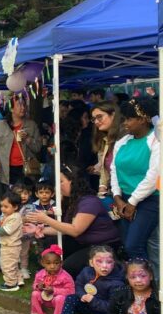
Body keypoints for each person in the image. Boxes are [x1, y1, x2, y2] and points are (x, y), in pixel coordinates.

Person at [26, 165, 120, 278]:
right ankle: (46, 278)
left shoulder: (89, 202)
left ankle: (65, 284)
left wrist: (46, 219)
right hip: (82, 242)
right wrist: (39, 229)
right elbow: (65, 228)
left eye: (61, 182)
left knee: (69, 267)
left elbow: (75, 230)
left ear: (73, 182)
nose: (58, 186)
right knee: (50, 248)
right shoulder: (72, 201)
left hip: (102, 245)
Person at [110, 98, 160, 265]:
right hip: (123, 199)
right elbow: (114, 170)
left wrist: (132, 202)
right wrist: (117, 197)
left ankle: (147, 286)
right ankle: (137, 285)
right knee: (127, 245)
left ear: (143, 119)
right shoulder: (122, 142)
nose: (124, 123)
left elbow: (154, 175)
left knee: (134, 246)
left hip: (149, 199)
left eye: (128, 119)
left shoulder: (156, 140)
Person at [51, 246, 124, 314]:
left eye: (109, 262)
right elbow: (78, 285)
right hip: (86, 304)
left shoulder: (117, 283)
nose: (105, 266)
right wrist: (82, 295)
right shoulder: (86, 271)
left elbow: (111, 306)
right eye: (99, 261)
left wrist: (93, 301)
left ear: (114, 263)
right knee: (70, 298)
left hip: (103, 311)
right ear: (91, 263)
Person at [0, 97, 41, 185]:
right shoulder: (0, 125)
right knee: (10, 196)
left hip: (26, 169)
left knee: (25, 195)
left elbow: (38, 148)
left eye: (24, 105)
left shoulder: (31, 125)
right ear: (11, 108)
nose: (23, 107)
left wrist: (28, 139)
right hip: (6, 169)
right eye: (19, 105)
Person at [23, 245, 75, 314]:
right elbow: (34, 284)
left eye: (56, 263)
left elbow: (71, 291)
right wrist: (38, 286)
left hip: (56, 301)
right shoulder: (40, 274)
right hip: (44, 298)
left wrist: (54, 290)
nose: (52, 266)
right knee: (35, 293)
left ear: (61, 263)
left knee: (60, 299)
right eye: (48, 263)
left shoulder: (65, 276)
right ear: (43, 263)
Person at [0, 191, 23, 292]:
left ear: (15, 207)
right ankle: (18, 279)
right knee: (12, 265)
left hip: (10, 246)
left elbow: (6, 230)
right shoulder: (9, 216)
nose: (2, 209)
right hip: (9, 245)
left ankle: (11, 284)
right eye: (1, 206)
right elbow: (3, 226)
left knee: (7, 265)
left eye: (6, 206)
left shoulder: (15, 217)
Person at [90, 102, 121, 199]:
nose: (96, 122)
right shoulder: (104, 140)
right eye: (94, 119)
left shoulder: (126, 137)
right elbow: (104, 168)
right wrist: (102, 187)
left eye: (99, 117)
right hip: (114, 193)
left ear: (113, 115)